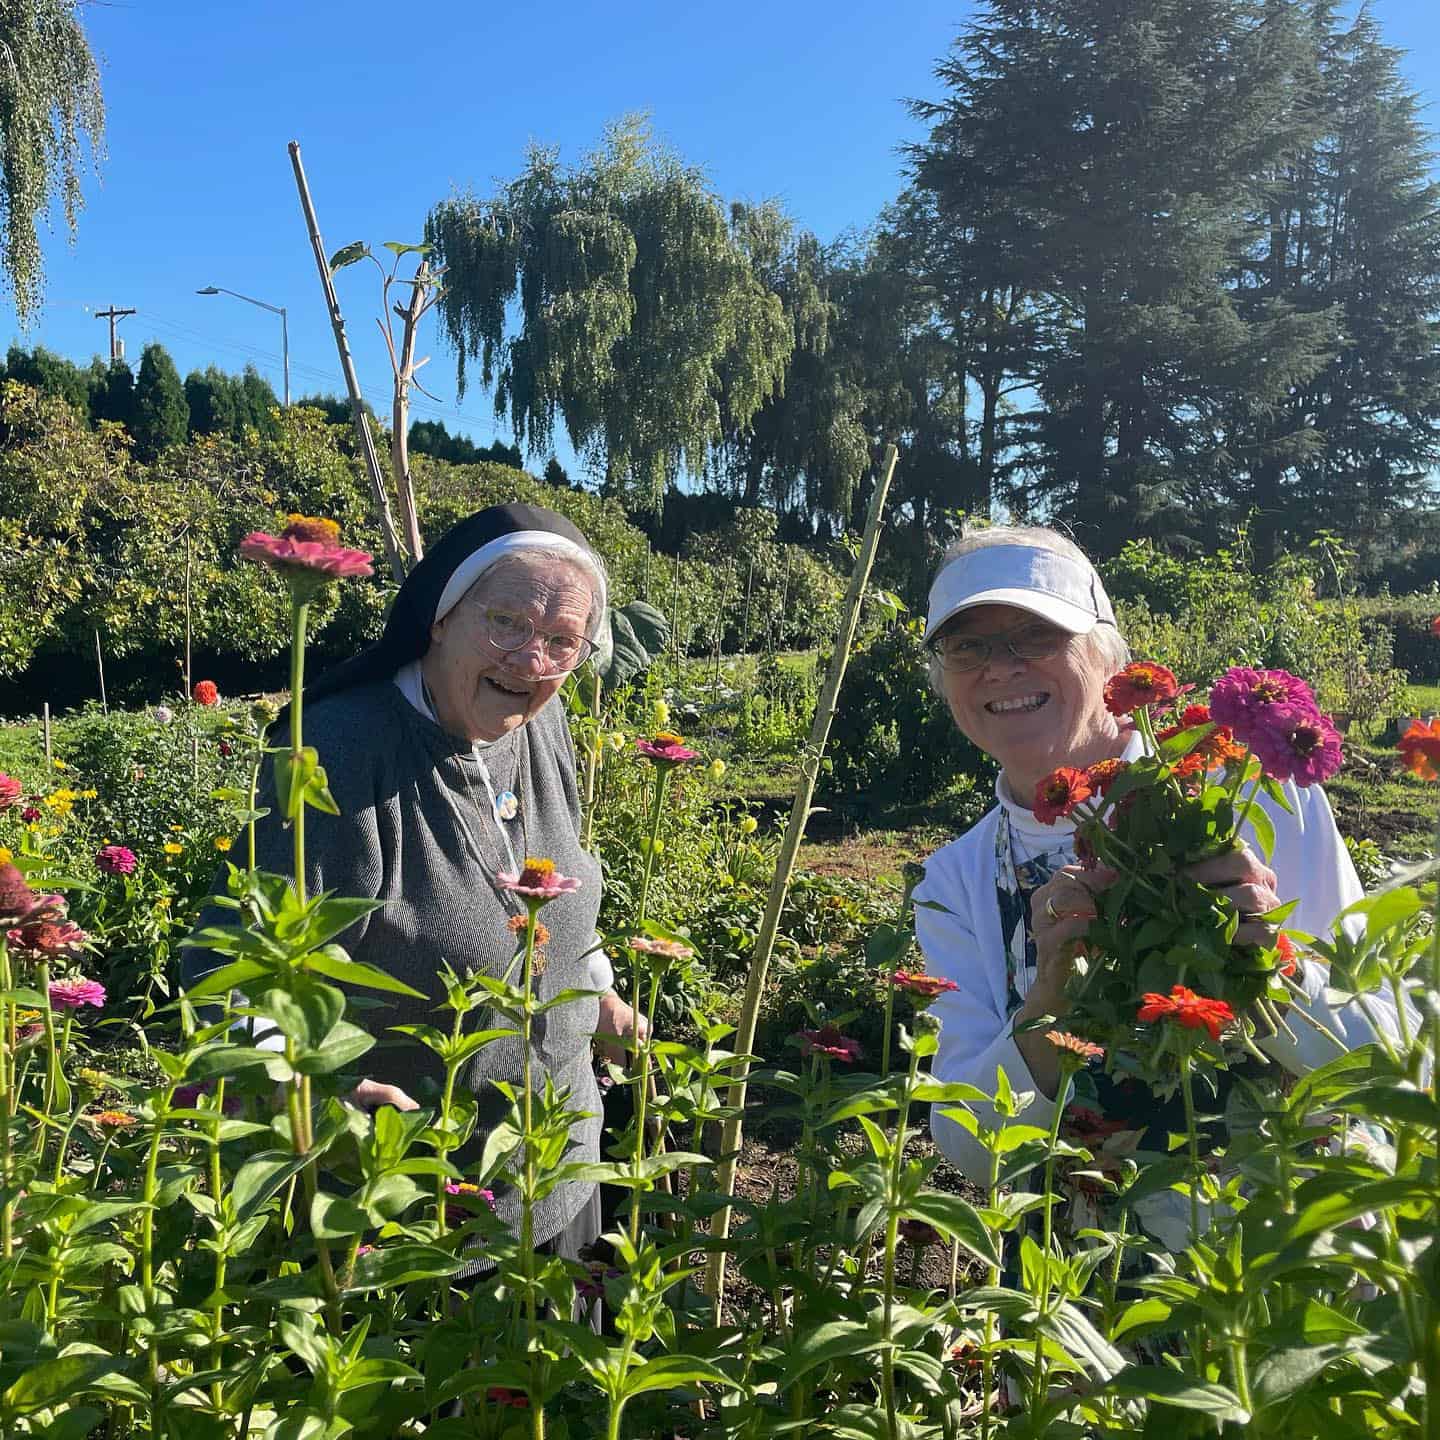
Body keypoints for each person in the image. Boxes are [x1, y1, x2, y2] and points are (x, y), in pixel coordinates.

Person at [186, 502, 643, 1266]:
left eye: (563, 641)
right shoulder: (340, 750)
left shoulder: (544, 724)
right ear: (439, 618)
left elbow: (563, 877)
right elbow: (229, 968)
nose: (533, 662)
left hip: (560, 1162)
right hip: (412, 1218)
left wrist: (599, 992)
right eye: (506, 622)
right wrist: (310, 1096)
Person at [912, 526, 1403, 1232]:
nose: (1001, 667)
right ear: (943, 675)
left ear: (1107, 654)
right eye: (968, 645)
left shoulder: (1250, 798)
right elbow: (973, 1149)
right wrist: (1049, 1000)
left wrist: (1273, 962)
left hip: (1294, 1263)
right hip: (1095, 1300)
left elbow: (1385, 1055)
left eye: (1036, 634)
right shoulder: (955, 881)